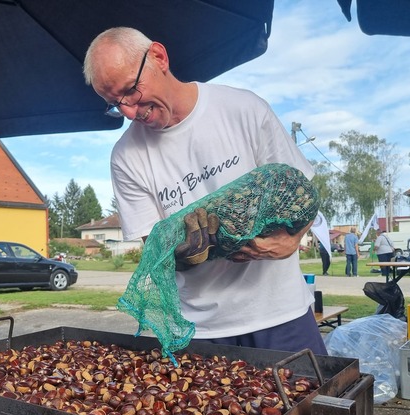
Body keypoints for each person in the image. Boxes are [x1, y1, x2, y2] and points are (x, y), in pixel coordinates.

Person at [83, 27, 327, 355]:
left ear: (158, 57)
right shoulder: (126, 157)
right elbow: (154, 248)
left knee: (317, 404)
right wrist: (180, 253)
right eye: (115, 104)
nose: (128, 111)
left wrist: (292, 240)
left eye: (130, 90)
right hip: (201, 330)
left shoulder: (243, 109)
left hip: (281, 313)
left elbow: (300, 193)